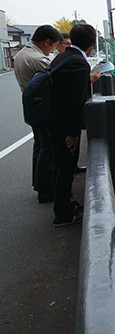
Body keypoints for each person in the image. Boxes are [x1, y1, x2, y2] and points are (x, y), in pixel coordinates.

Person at [48, 24, 96, 227]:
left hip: (53, 119)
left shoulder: (63, 57)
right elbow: (75, 101)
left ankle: (65, 203)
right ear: (92, 44)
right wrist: (72, 133)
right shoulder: (78, 63)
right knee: (66, 167)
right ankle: (62, 213)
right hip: (64, 124)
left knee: (62, 165)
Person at [14, 25, 62, 203]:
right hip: (41, 107)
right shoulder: (37, 58)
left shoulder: (22, 53)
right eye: (54, 46)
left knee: (40, 146)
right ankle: (45, 190)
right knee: (47, 148)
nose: (53, 50)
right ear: (46, 42)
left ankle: (40, 185)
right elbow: (59, 74)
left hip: (32, 106)